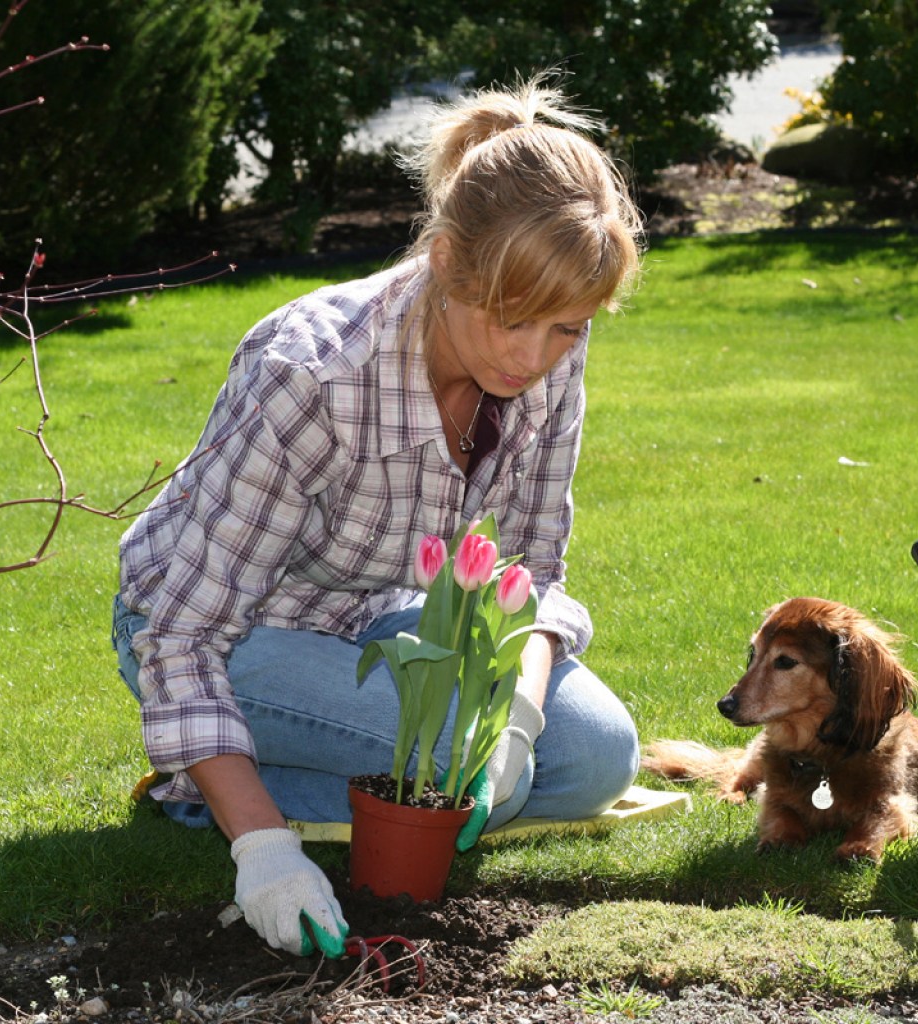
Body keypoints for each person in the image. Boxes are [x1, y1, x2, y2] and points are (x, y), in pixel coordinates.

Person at [112, 75, 644, 959]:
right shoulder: (313, 375)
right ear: (444, 265)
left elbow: (533, 571)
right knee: (448, 766)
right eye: (515, 322)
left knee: (595, 757)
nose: (535, 357)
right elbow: (185, 633)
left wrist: (516, 716)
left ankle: (207, 781)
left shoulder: (547, 358)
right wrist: (264, 851)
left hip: (371, 620)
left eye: (568, 330)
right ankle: (226, 791)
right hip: (218, 632)